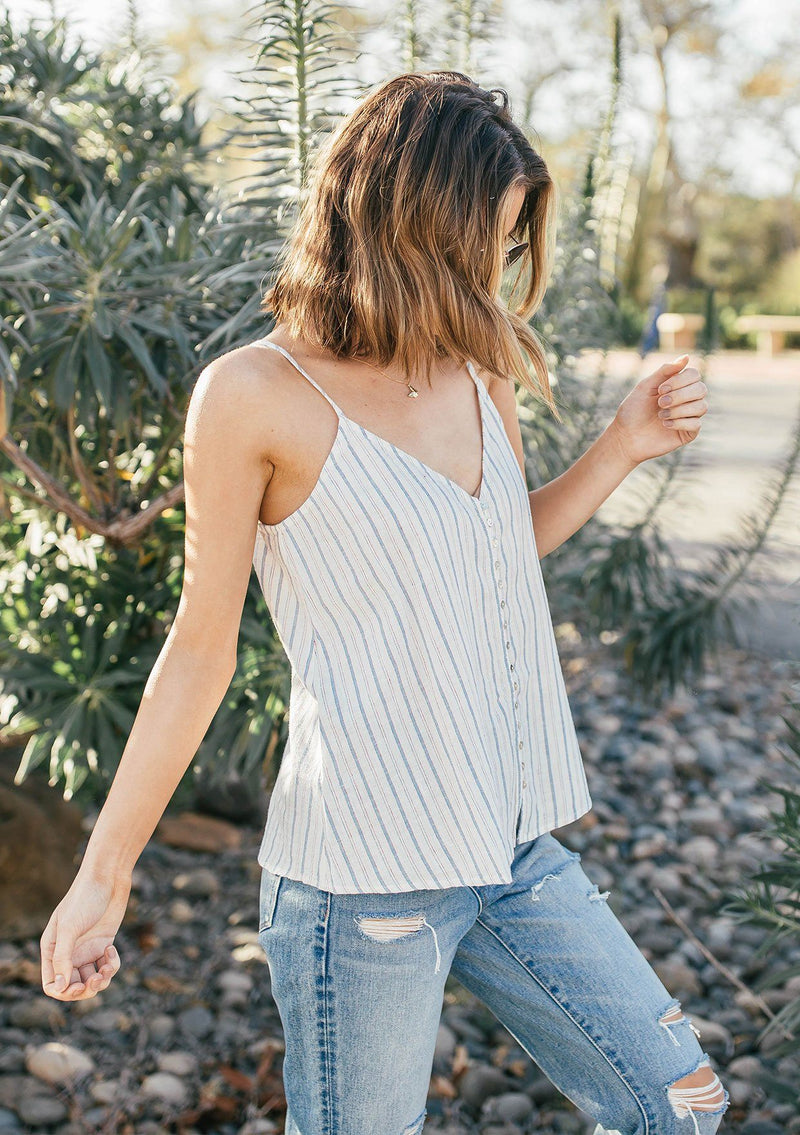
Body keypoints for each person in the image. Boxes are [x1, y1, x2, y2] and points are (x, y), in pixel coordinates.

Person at [40, 71, 728, 1135]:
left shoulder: (474, 363)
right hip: (362, 882)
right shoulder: (254, 396)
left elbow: (498, 551)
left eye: (508, 246)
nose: (495, 272)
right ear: (406, 225)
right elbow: (199, 648)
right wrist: (103, 874)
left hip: (508, 844)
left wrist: (624, 444)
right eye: (482, 244)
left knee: (676, 1105)